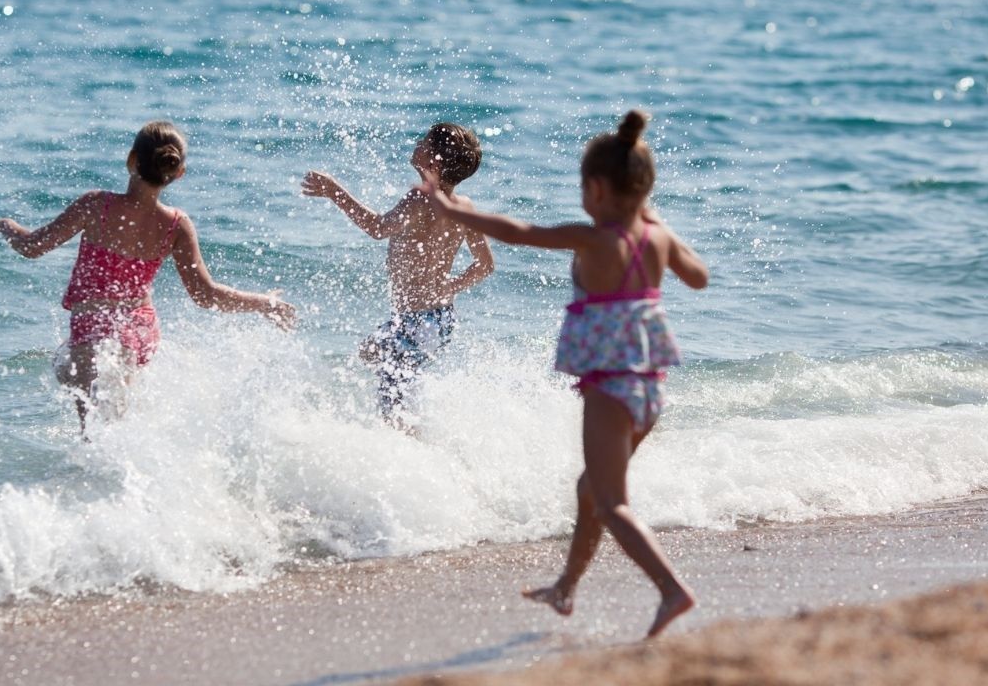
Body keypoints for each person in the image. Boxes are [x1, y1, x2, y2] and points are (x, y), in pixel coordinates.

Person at [418, 110, 708, 638]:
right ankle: (566, 588)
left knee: (612, 502)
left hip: (609, 387)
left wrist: (452, 210)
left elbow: (520, 233)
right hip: (649, 388)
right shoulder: (656, 237)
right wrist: (657, 222)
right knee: (589, 489)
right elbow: (699, 276)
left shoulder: (597, 239)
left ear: (596, 189)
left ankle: (671, 589)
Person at [0, 121, 295, 426]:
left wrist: (8, 227)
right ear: (178, 173)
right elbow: (205, 294)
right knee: (113, 424)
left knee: (93, 427)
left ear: (131, 159)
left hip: (93, 325)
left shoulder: (96, 205)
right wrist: (265, 303)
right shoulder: (176, 225)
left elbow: (33, 247)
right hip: (139, 330)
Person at [301, 123, 494, 429]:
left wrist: (333, 192)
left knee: (393, 410)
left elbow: (377, 228)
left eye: (424, 141)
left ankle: (414, 458)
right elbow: (485, 265)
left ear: (434, 163)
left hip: (416, 322)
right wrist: (449, 287)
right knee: (370, 355)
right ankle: (423, 430)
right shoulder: (465, 205)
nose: (417, 142)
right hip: (439, 319)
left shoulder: (420, 199)